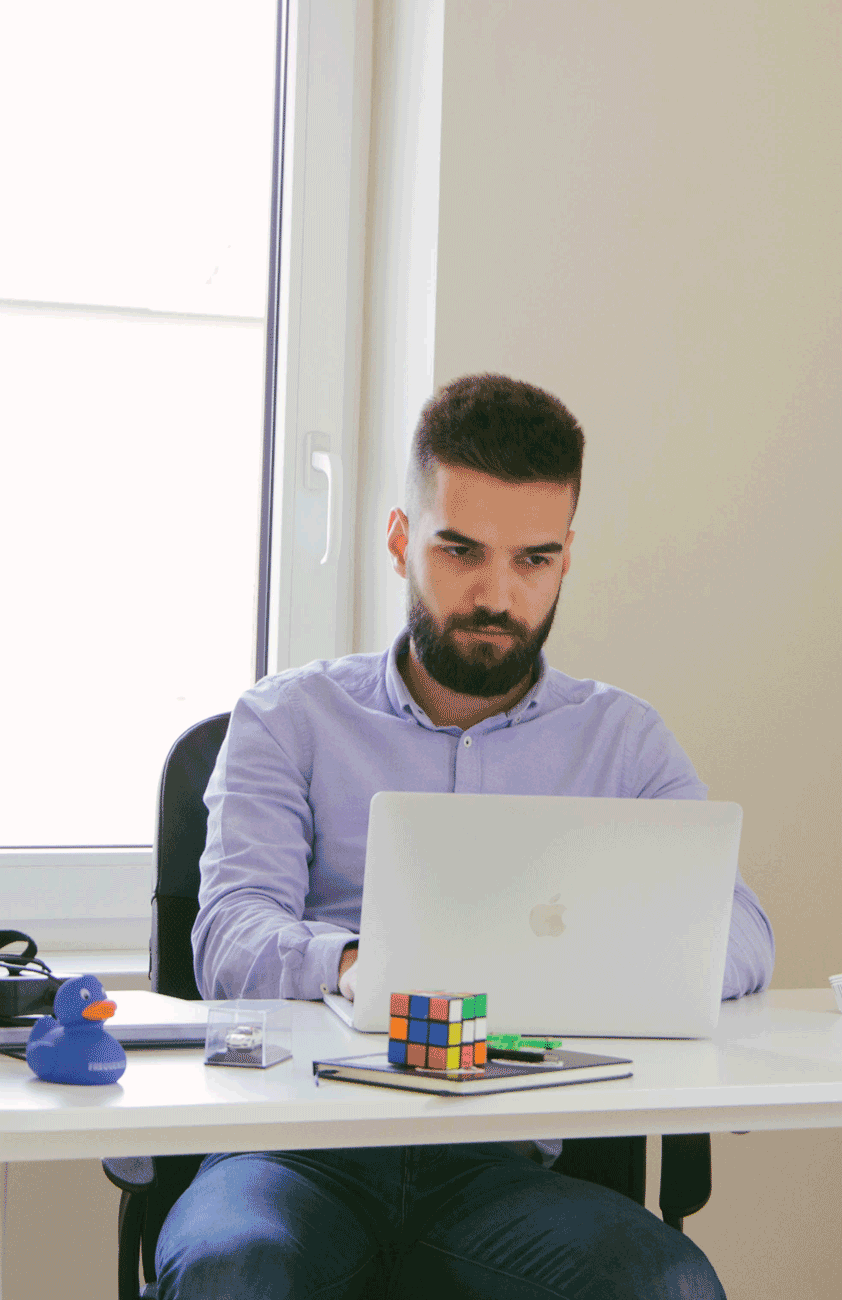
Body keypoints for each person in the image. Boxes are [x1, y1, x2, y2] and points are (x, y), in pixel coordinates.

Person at [154, 373, 775, 1299]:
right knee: (235, 1268)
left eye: (532, 559)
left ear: (567, 558)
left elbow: (742, 932)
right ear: (403, 540)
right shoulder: (288, 719)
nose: (495, 593)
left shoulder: (624, 742)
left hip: (509, 1171)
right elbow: (230, 934)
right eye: (461, 550)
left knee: (666, 1287)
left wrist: (597, 970)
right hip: (296, 1149)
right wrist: (361, 964)